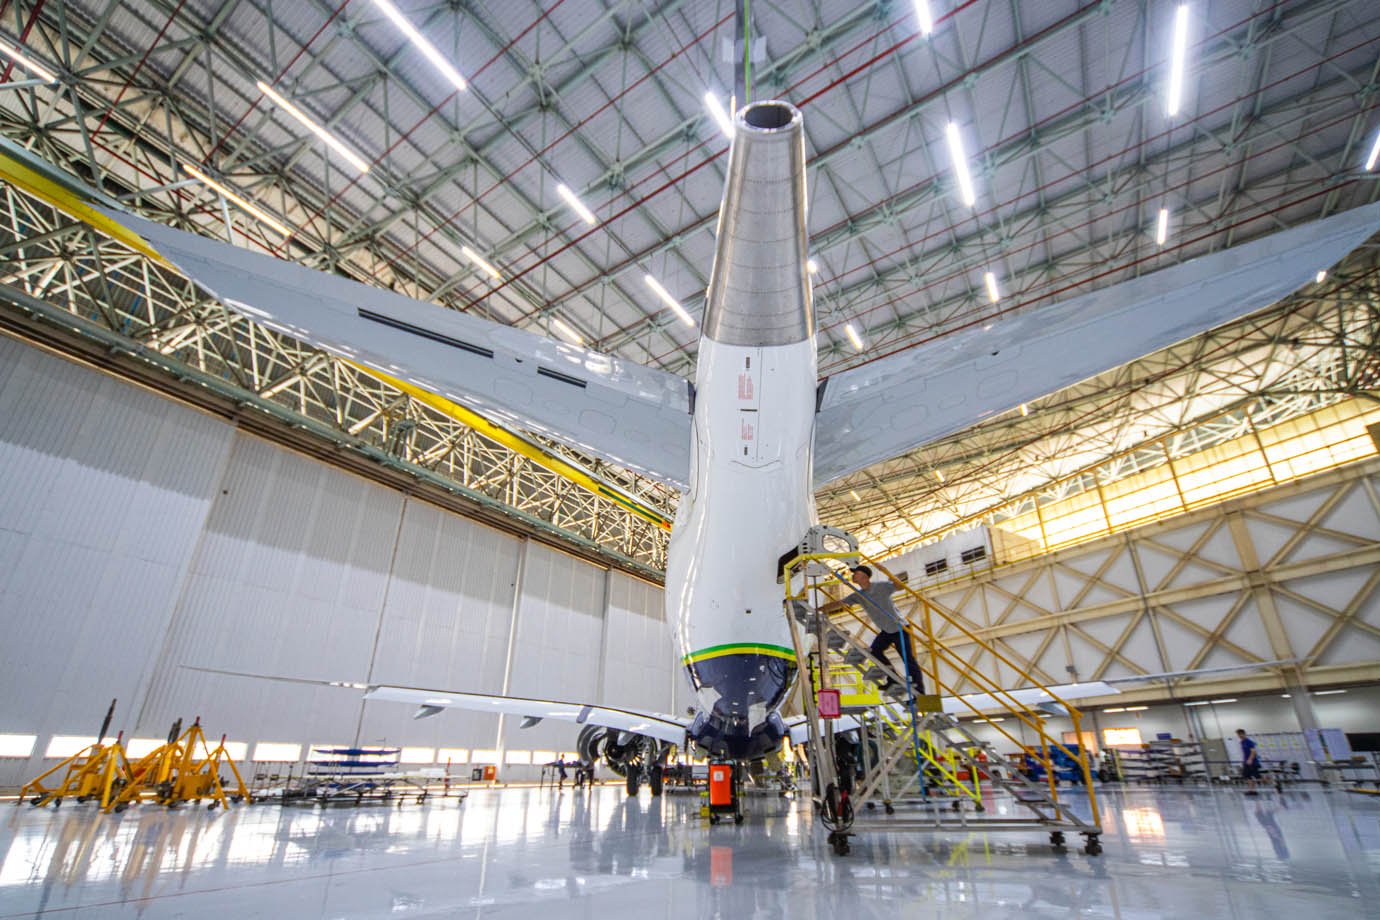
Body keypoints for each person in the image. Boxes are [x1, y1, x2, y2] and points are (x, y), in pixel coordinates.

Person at [842, 565, 927, 694]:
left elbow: (899, 586)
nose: (853, 575)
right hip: (887, 631)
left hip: (899, 627)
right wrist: (819, 609)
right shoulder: (858, 595)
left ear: (865, 576)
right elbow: (840, 603)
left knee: (907, 658)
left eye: (856, 573)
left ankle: (919, 691)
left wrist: (885, 570)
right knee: (874, 652)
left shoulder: (881, 587)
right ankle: (893, 678)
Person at [1237, 728, 1262, 795]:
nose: (1239, 736)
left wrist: (1250, 759)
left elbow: (1253, 752)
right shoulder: (1242, 742)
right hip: (1246, 762)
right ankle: (1252, 790)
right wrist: (1244, 761)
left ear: (1244, 734)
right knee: (1247, 776)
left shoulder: (1249, 742)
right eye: (1238, 734)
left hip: (1253, 762)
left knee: (1257, 777)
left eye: (1240, 734)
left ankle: (1275, 783)